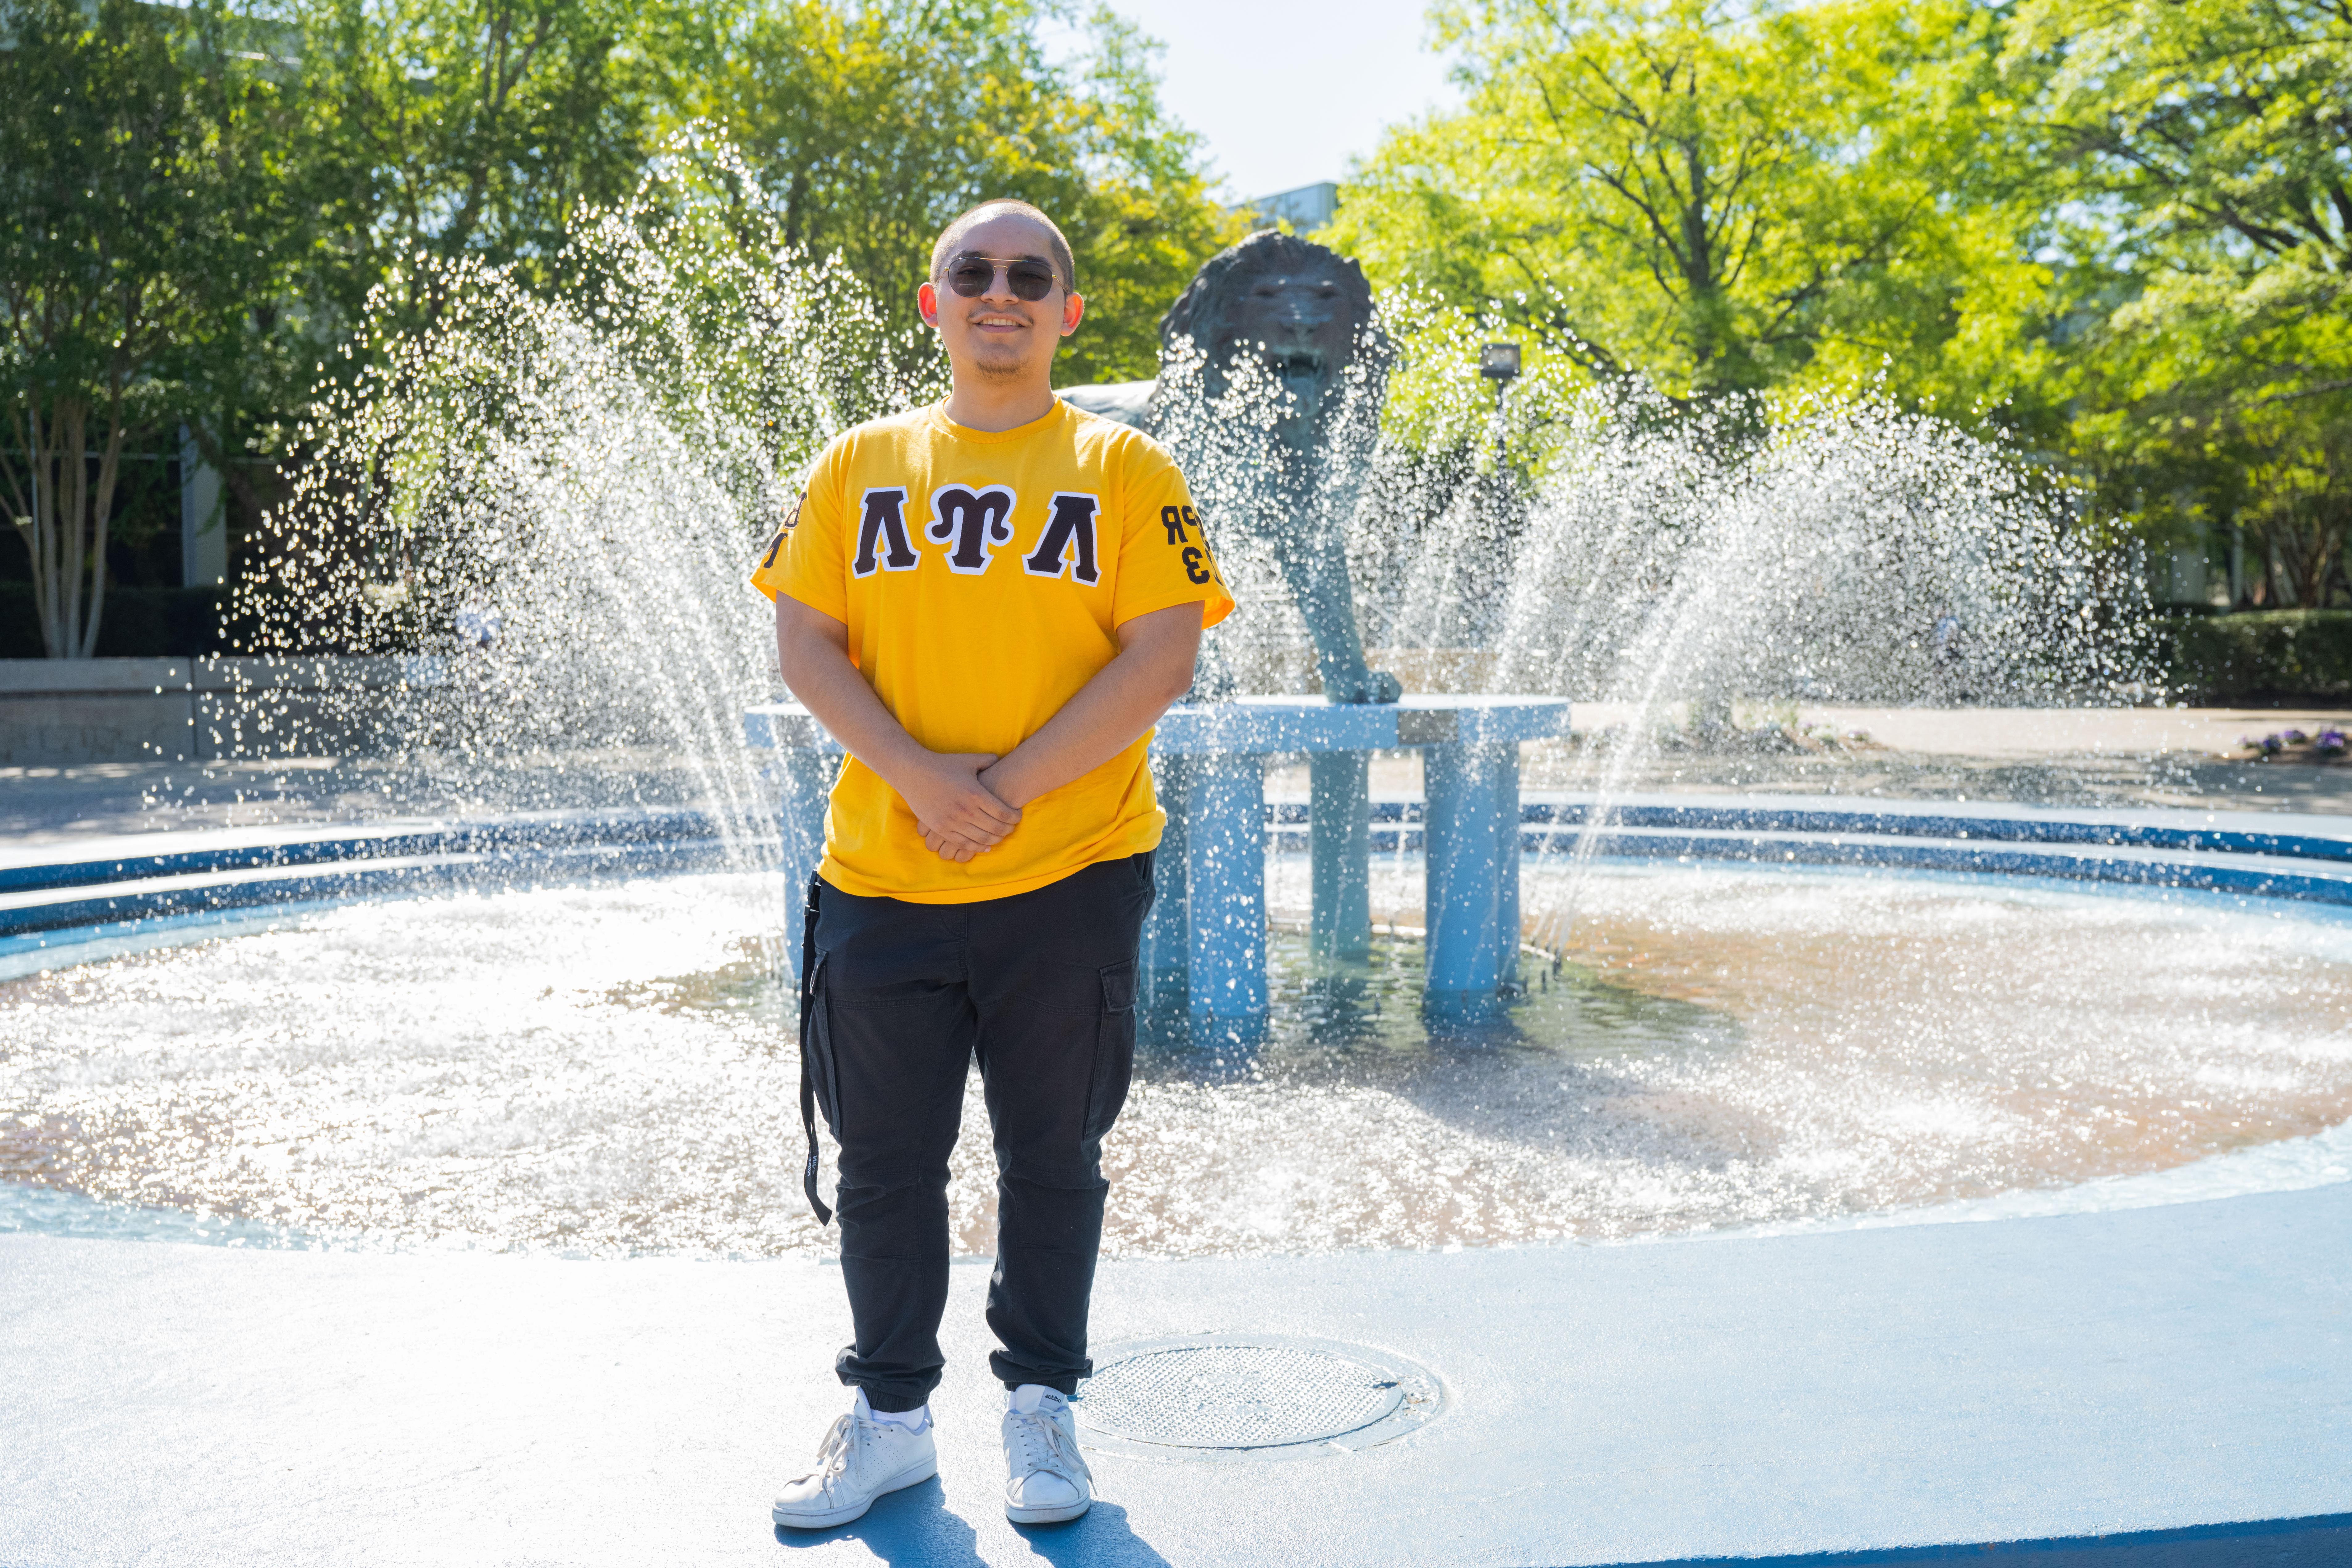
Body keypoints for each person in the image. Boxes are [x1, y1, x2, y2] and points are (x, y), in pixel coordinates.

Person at [754, 198, 1234, 1530]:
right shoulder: (857, 462)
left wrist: (1001, 792)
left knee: (1053, 1154)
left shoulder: (1128, 469)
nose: (1000, 293)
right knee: (884, 1163)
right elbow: (805, 646)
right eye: (972, 272)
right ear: (934, 302)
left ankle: (1043, 1411)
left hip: (1069, 871)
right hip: (881, 879)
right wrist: (922, 780)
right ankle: (893, 1420)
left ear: (1069, 311)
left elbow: (1162, 654)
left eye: (1031, 275)